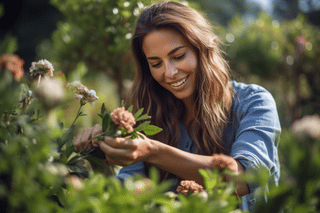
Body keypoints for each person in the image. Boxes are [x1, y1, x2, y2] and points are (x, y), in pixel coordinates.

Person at [73, 1, 281, 212]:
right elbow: (126, 200)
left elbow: (245, 178)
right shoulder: (146, 116)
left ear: (204, 49)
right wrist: (101, 161)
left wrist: (151, 151)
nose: (170, 72)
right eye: (156, 64)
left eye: (178, 56)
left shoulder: (253, 102)